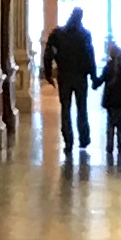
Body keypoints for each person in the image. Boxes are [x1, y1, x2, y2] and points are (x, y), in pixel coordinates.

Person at [43, 8, 96, 160]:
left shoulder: (58, 34)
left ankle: (68, 141)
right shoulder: (84, 35)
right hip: (80, 77)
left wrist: (48, 73)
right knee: (82, 107)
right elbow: (89, 55)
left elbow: (48, 54)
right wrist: (93, 76)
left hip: (64, 76)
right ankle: (84, 138)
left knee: (65, 109)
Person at [97, 36, 121, 162]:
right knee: (120, 123)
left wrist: (93, 80)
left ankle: (109, 146)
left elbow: (99, 81)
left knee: (110, 122)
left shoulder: (107, 69)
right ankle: (120, 146)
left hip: (110, 100)